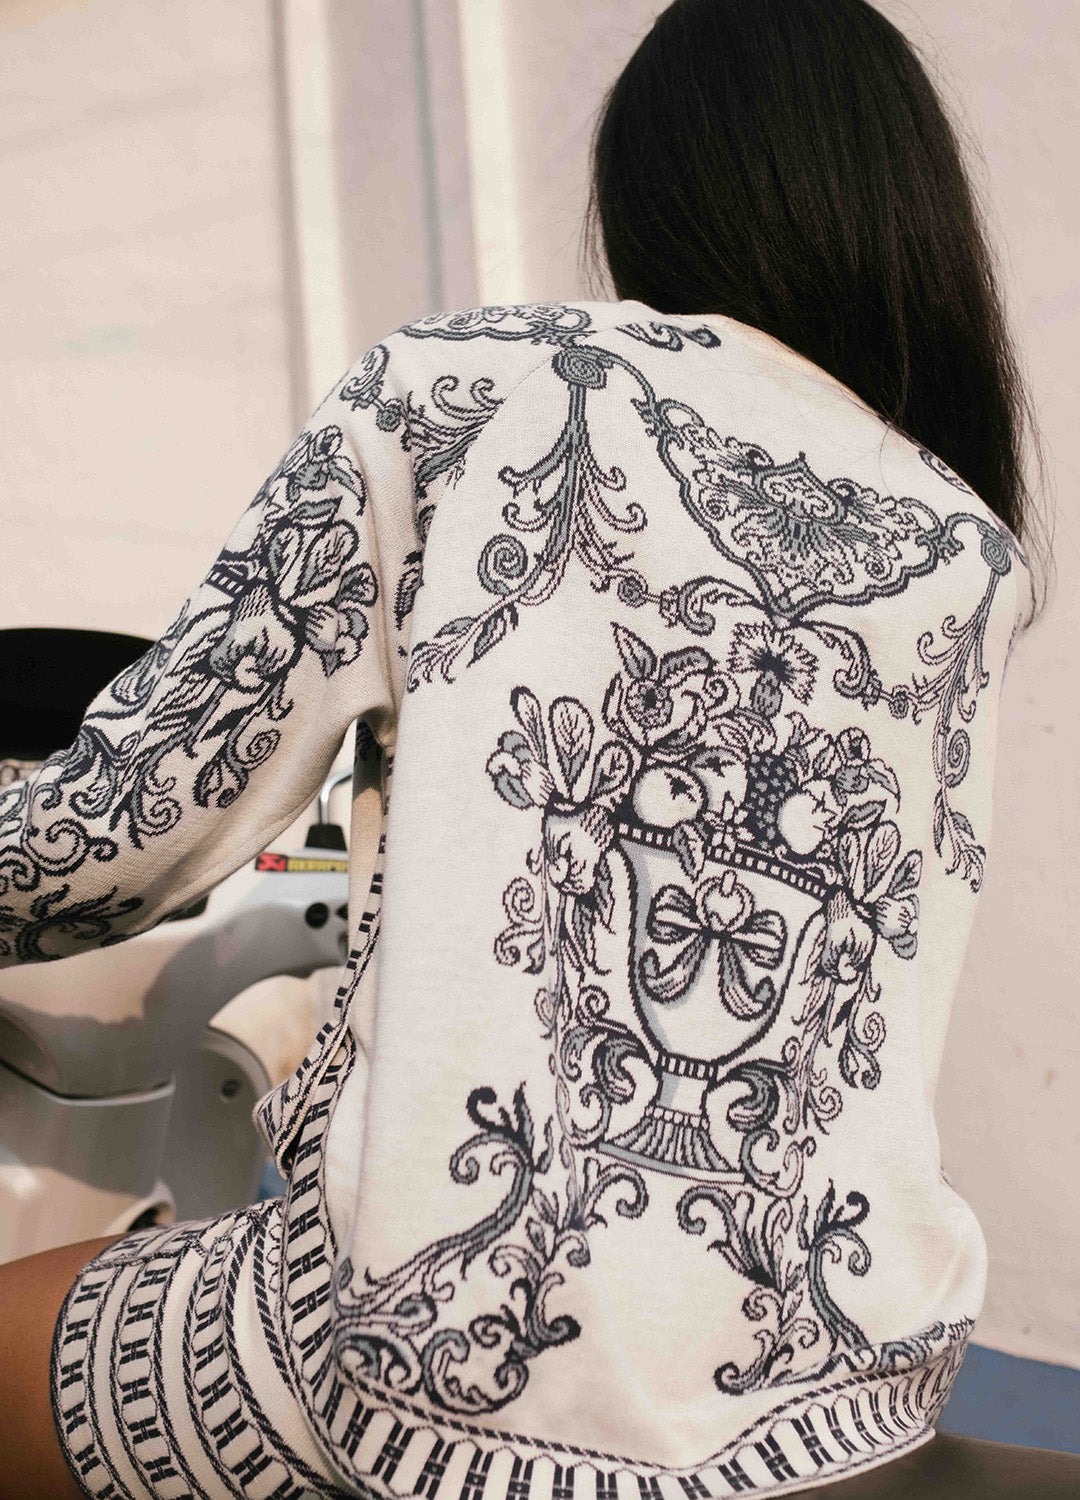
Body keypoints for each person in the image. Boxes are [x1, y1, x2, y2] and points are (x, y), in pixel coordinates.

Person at [0, 1, 1073, 1496]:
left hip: (416, 1370)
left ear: (649, 193)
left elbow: (126, 826)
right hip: (841, 1390)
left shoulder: (464, 389)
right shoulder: (967, 549)